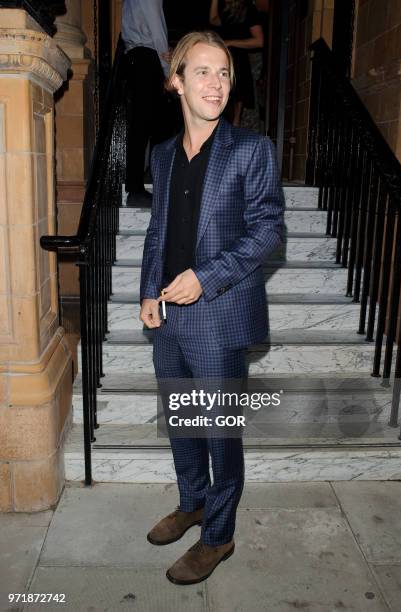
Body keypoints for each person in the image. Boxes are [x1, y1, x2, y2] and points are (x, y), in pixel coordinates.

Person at [139, 30, 284, 585]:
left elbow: (268, 229)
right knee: (182, 422)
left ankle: (218, 536)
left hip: (220, 315)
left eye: (224, 72)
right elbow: (158, 234)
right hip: (170, 318)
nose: (216, 83)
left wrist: (206, 278)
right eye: (202, 71)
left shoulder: (251, 150)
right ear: (175, 81)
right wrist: (149, 292)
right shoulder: (162, 155)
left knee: (219, 431)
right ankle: (192, 502)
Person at [121, 0, 171, 205]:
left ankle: (139, 185)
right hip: (147, 59)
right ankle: (142, 186)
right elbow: (158, 32)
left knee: (143, 126)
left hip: (135, 57)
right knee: (155, 127)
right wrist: (168, 71)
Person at [209, 0, 264, 126]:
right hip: (224, 59)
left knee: (238, 96)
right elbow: (213, 19)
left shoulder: (249, 10)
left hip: (238, 59)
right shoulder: (228, 11)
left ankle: (236, 124)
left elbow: (259, 41)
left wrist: (230, 42)